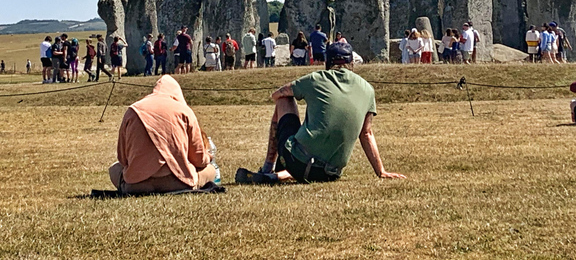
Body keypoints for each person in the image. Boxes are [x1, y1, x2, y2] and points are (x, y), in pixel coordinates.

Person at [235, 42, 406, 185]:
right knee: (312, 161)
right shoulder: (368, 89)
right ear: (352, 63)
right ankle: (273, 177)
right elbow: (366, 133)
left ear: (327, 62)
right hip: (330, 173)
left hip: (298, 162)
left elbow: (277, 94)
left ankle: (267, 167)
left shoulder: (317, 78)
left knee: (284, 100)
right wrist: (381, 171)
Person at [108, 75, 217, 195]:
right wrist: (208, 157)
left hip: (136, 185)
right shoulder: (184, 111)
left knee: (114, 168)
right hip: (178, 183)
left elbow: (122, 158)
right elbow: (198, 159)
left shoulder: (133, 110)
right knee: (211, 170)